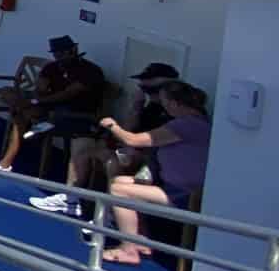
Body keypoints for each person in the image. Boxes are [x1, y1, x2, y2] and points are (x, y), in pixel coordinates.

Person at [29, 63, 177, 218]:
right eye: (143, 88)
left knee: (113, 161)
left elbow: (150, 142)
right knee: (82, 145)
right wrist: (136, 107)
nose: (146, 93)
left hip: (154, 156)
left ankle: (111, 215)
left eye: (150, 90)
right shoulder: (152, 106)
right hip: (133, 145)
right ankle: (70, 199)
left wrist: (114, 129)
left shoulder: (174, 112)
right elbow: (129, 128)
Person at [100, 82, 212, 264]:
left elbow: (133, 140)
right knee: (120, 181)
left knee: (119, 191)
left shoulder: (185, 125)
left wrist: (112, 125)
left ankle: (128, 250)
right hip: (174, 188)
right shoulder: (198, 122)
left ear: (175, 104)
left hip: (181, 195)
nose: (163, 106)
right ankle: (139, 238)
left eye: (165, 102)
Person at [0, 35, 107, 171]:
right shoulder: (52, 67)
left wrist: (34, 101)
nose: (60, 56)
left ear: (74, 50)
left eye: (63, 52)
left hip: (77, 113)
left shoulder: (90, 71)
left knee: (21, 115)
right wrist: (34, 100)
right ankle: (32, 124)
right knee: (8, 93)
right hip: (50, 106)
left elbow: (66, 95)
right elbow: (40, 89)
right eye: (57, 53)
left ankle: (7, 161)